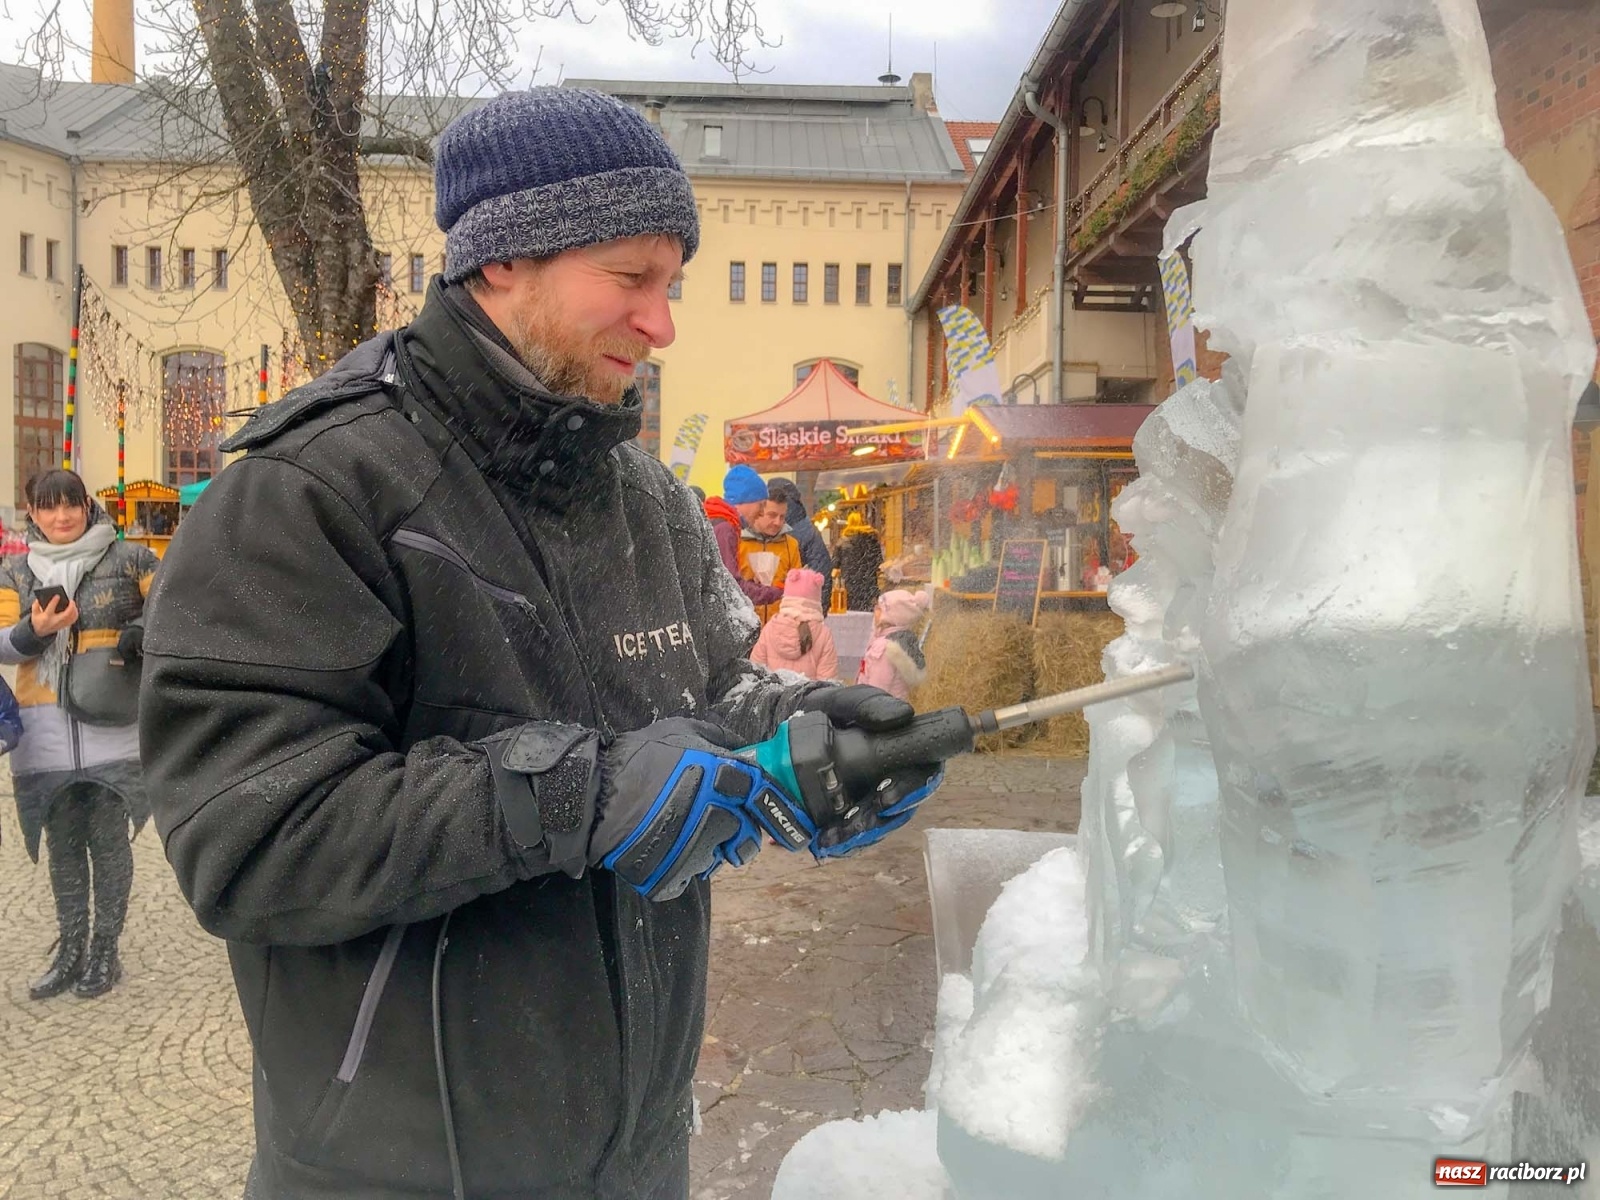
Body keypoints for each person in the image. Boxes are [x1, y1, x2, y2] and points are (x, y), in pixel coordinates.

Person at [139, 86, 950, 1200]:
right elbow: (251, 837)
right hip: (398, 1176)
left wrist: (802, 731)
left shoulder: (648, 499)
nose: (663, 324)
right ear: (504, 260)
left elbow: (709, 696)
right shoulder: (310, 490)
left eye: (671, 284)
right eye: (630, 278)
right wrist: (575, 795)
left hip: (636, 1155)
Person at [0, 468, 156, 1000]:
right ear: (33, 513)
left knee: (108, 841)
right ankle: (70, 948)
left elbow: (175, 605)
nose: (61, 516)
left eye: (71, 504)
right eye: (48, 506)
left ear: (87, 506)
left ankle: (105, 950)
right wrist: (35, 631)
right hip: (44, 731)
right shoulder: (15, 570)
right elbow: (1, 643)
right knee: (63, 844)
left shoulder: (130, 558)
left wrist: (139, 632)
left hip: (113, 726)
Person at [704, 464, 783, 611]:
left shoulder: (717, 522)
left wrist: (752, 585)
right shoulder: (725, 529)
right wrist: (776, 592)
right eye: (761, 505)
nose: (762, 513)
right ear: (745, 500)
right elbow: (732, 590)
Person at [750, 569, 838, 681]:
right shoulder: (823, 635)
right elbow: (827, 682)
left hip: (774, 692)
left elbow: (755, 672)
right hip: (809, 692)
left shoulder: (769, 628)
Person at [766, 479, 833, 612]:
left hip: (764, 610)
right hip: (797, 610)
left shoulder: (762, 524)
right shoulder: (808, 530)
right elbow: (821, 571)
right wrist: (818, 610)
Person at [858, 589, 931, 703]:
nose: (875, 611)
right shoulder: (904, 639)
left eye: (879, 609)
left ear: (891, 617)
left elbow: (875, 693)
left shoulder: (883, 647)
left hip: (877, 709)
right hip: (895, 707)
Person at [737, 499, 803, 624]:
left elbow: (797, 590)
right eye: (772, 515)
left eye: (782, 517)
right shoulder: (737, 542)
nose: (778, 522)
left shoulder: (791, 545)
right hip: (746, 625)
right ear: (758, 511)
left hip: (780, 626)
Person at [834, 510, 884, 611]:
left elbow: (835, 564)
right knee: (867, 614)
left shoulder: (842, 542)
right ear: (863, 522)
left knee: (851, 614)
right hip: (868, 586)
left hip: (849, 587)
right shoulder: (872, 540)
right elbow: (878, 563)